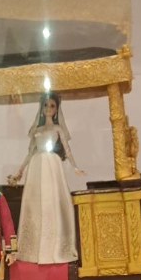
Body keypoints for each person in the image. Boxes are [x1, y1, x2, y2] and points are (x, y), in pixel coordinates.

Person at [13, 92, 85, 264]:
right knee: (36, 202)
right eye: (46, 105)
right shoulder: (36, 131)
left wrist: (75, 167)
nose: (48, 108)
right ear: (42, 107)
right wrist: (20, 170)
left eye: (52, 106)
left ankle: (53, 244)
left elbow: (67, 149)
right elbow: (30, 152)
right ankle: (35, 245)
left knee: (52, 200)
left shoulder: (57, 129)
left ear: (56, 109)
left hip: (52, 164)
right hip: (37, 165)